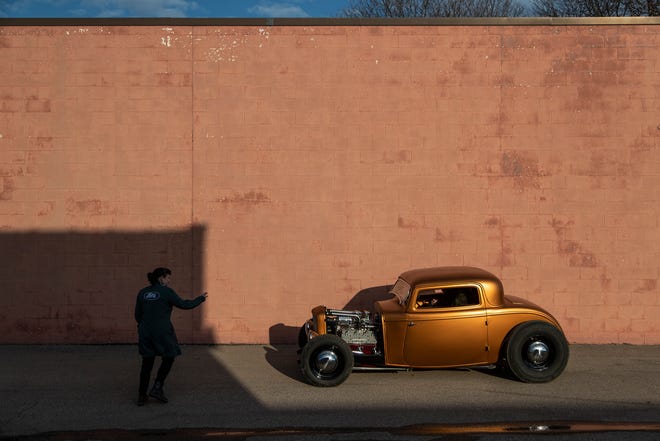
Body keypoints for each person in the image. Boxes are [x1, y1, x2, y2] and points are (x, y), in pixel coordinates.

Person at [134, 267, 208, 406]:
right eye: (168, 278)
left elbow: (137, 315)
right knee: (169, 355)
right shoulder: (166, 292)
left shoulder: (142, 293)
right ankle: (157, 387)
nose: (169, 280)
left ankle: (141, 396)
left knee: (147, 363)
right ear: (161, 278)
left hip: (145, 332)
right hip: (162, 332)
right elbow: (184, 305)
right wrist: (200, 299)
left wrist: (143, 327)